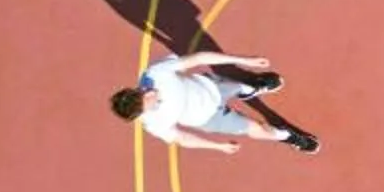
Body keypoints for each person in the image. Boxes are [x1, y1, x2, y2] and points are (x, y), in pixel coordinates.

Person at [112, 51, 317, 155]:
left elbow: (199, 58)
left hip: (212, 87)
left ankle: (252, 88)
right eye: (146, 99)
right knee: (261, 130)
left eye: (142, 91)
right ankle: (288, 136)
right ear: (142, 112)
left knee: (240, 86)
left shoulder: (155, 73)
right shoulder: (154, 123)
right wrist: (217, 147)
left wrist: (244, 60)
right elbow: (182, 138)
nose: (149, 92)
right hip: (211, 118)